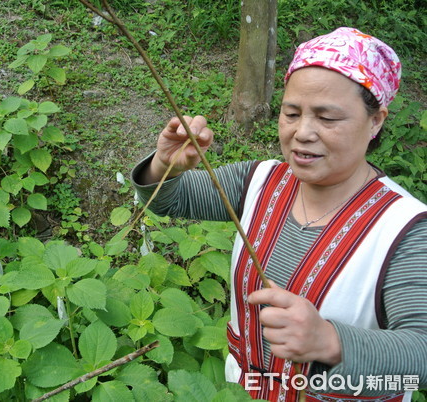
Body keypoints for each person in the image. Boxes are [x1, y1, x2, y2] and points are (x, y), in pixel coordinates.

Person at [131, 27, 427, 401]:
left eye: (328, 118)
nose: (302, 132)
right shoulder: (260, 180)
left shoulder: (406, 229)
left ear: (376, 121)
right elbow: (169, 200)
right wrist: (166, 165)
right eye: (291, 112)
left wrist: (331, 341)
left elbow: (421, 350)